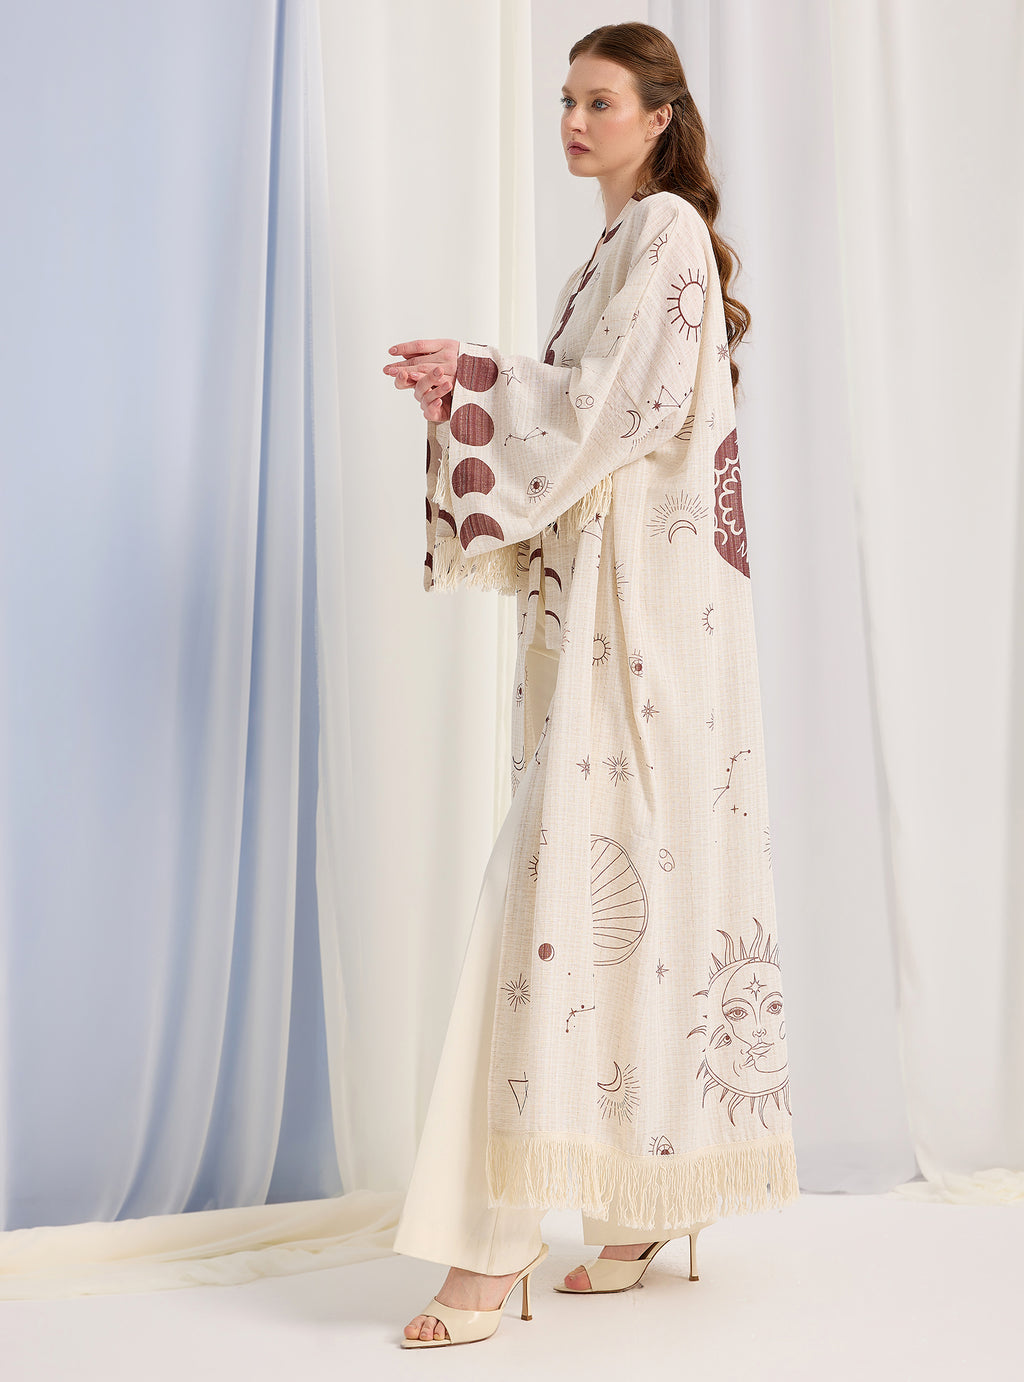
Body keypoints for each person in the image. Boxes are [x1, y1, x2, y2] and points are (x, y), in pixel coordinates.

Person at [382, 21, 799, 1350]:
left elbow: (612, 412)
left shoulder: (665, 232)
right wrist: (470, 396)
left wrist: (480, 385)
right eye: (565, 98)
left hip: (654, 637)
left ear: (659, 116)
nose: (574, 120)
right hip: (623, 627)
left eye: (601, 100)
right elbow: (582, 415)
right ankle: (638, 1209)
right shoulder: (609, 253)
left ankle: (484, 1250)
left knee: (554, 908)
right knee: (630, 903)